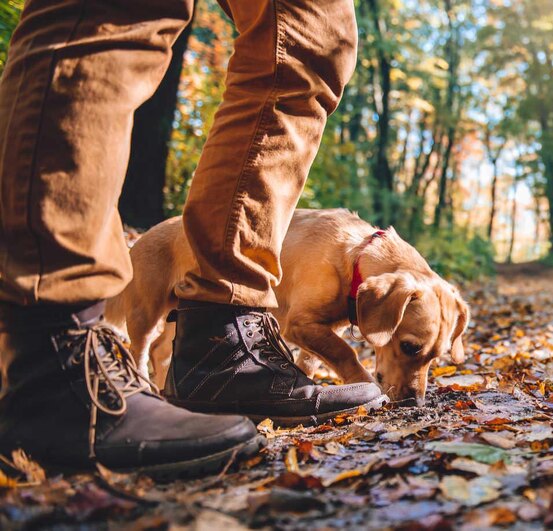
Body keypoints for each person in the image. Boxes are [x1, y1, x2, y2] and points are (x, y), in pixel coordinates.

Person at [0, 0, 384, 477]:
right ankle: (52, 351)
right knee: (114, 9)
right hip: (55, 333)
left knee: (312, 38)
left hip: (222, 312)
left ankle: (220, 345)